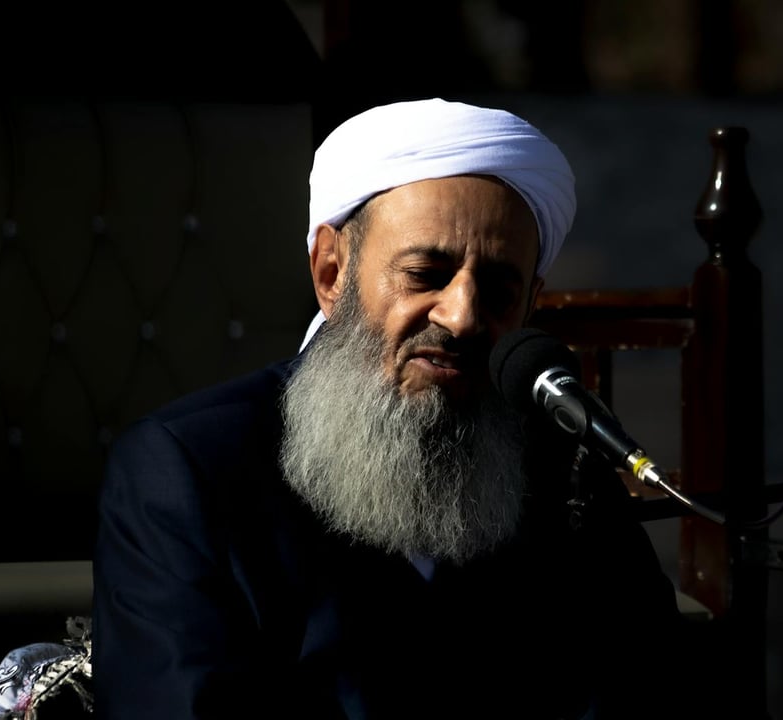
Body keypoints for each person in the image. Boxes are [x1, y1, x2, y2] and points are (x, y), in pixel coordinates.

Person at [91, 97, 694, 719]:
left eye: (498, 288)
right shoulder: (185, 472)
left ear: (530, 303)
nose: (461, 317)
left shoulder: (563, 468)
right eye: (425, 274)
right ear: (331, 272)